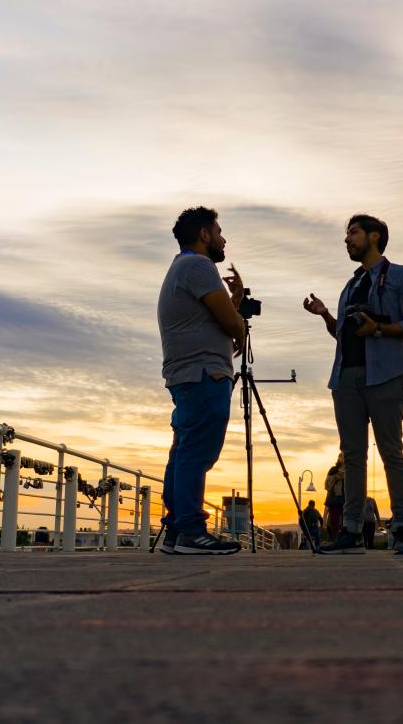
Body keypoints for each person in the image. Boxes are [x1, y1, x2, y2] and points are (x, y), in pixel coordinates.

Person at [304, 214, 403, 555]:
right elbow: (344, 336)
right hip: (346, 377)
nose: (347, 240)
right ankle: (350, 531)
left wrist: (378, 329)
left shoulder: (401, 275)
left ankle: (402, 526)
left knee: (391, 451)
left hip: (386, 373)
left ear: (375, 236)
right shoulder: (350, 285)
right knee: (353, 455)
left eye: (353, 233)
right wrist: (327, 315)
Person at [156, 206, 246, 556]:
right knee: (197, 452)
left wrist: (233, 303)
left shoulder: (180, 268)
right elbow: (232, 324)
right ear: (205, 234)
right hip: (204, 373)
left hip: (186, 374)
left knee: (184, 450)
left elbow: (217, 316)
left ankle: (177, 530)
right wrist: (237, 324)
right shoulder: (198, 266)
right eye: (219, 231)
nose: (223, 238)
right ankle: (192, 531)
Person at [323, 457, 345, 540]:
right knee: (334, 520)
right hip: (335, 498)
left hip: (346, 498)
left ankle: (343, 540)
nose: (343, 458)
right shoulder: (333, 469)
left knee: (346, 521)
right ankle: (334, 539)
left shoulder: (350, 470)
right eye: (341, 456)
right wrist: (335, 477)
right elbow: (327, 484)